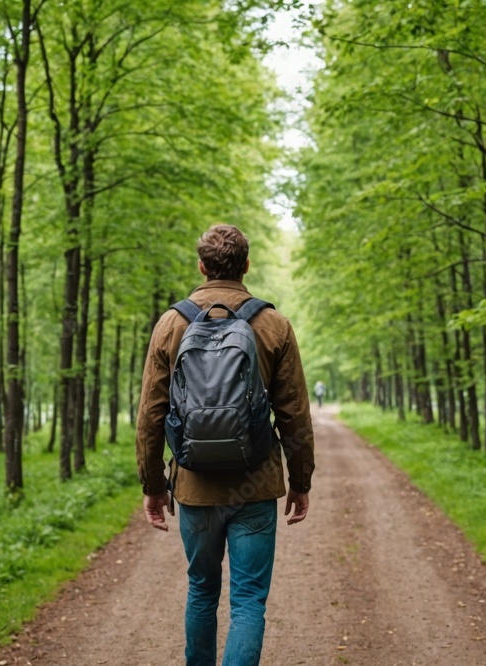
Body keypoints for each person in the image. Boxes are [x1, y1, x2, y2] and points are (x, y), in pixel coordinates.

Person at [136, 224, 315, 666]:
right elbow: (294, 414)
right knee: (249, 601)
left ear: (201, 266)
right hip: (255, 485)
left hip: (195, 486)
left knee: (201, 590)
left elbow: (150, 416)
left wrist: (153, 484)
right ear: (246, 266)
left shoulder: (171, 323)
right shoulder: (273, 324)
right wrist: (301, 479)